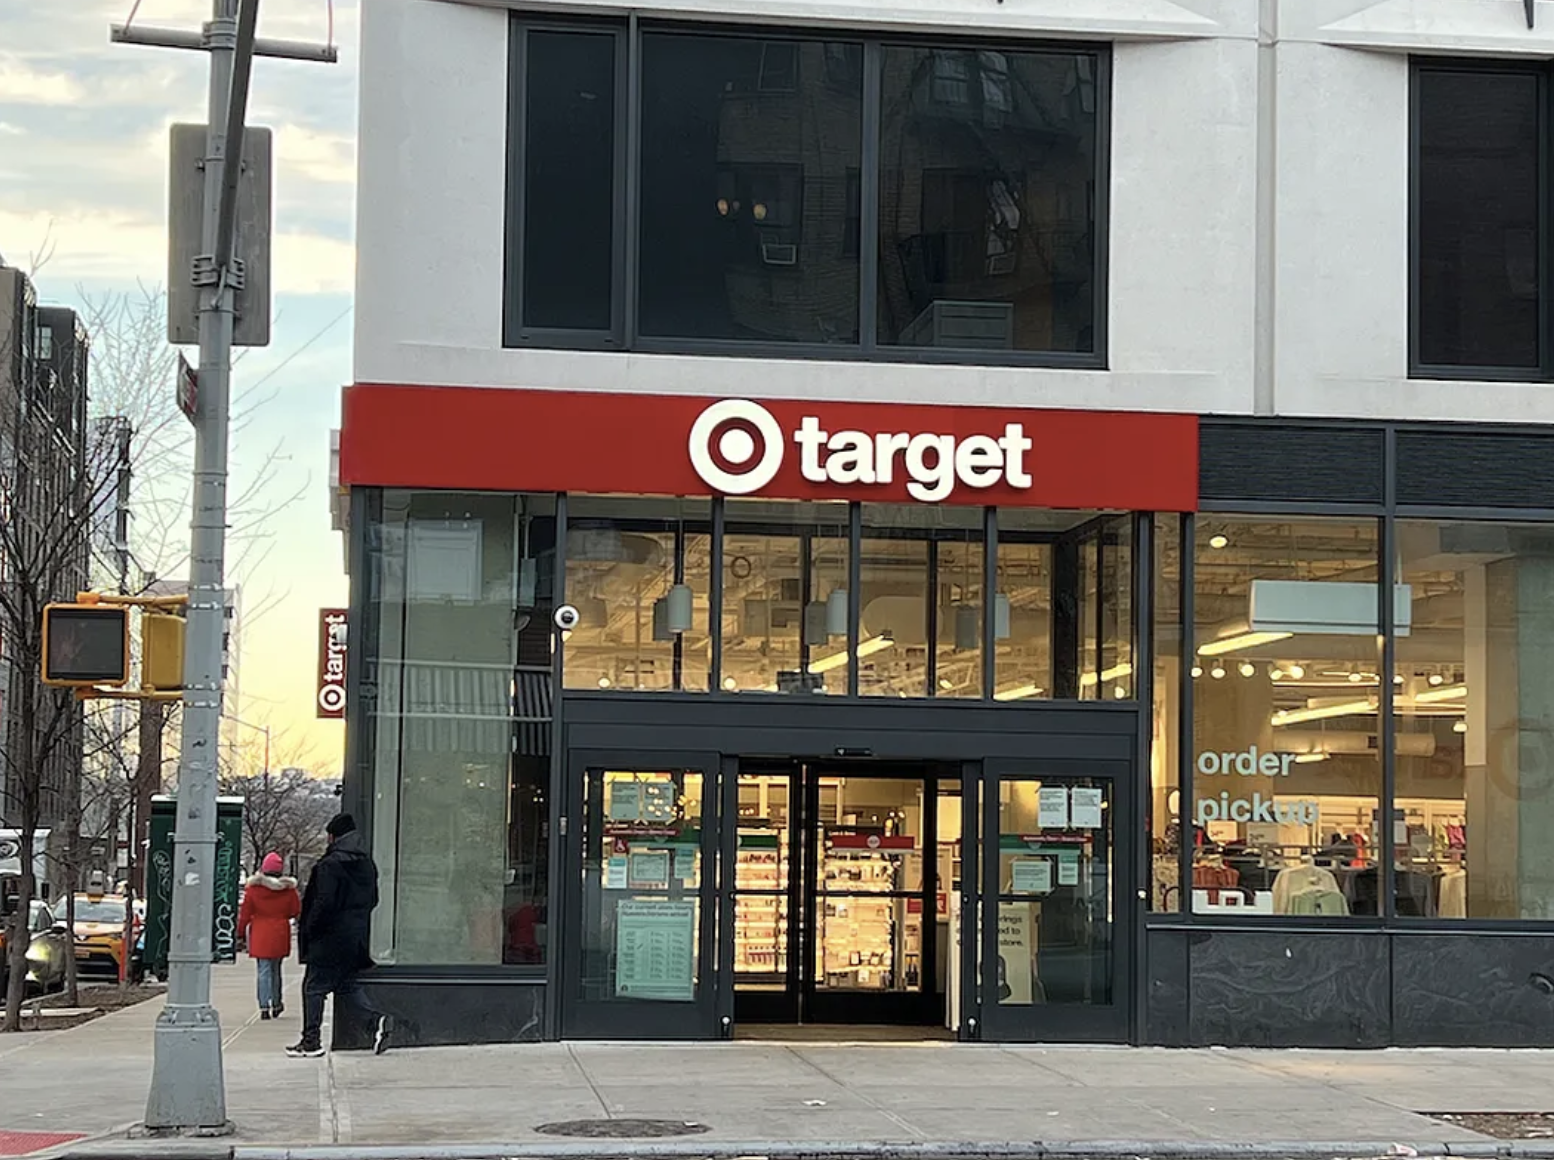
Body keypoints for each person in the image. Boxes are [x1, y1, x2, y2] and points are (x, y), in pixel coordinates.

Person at [287, 813, 391, 1058]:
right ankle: (377, 1020)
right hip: (354, 938)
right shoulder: (366, 864)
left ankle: (311, 1041)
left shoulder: (329, 865)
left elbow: (322, 904)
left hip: (328, 939)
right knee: (346, 986)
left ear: (333, 836)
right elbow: (373, 900)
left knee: (314, 988)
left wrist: (310, 929)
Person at [237, 852, 301, 1019]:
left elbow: (245, 913)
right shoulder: (288, 890)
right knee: (276, 970)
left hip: (260, 931)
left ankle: (264, 1006)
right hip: (280, 931)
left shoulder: (253, 889)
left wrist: (240, 932)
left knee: (263, 970)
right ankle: (277, 1003)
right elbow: (295, 911)